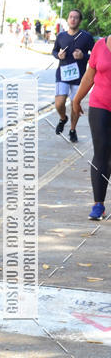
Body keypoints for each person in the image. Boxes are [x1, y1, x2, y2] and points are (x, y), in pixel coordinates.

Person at [73, 33, 111, 220]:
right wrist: (77, 99)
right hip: (100, 105)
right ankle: (98, 205)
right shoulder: (100, 46)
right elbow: (89, 76)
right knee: (101, 151)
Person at [52, 9, 94, 143]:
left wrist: (83, 56)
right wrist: (58, 55)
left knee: (75, 104)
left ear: (79, 21)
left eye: (76, 18)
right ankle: (63, 118)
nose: (73, 20)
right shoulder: (61, 36)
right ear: (68, 19)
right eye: (71, 17)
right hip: (62, 75)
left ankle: (72, 129)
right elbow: (54, 51)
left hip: (79, 77)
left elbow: (95, 55)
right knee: (59, 103)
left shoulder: (86, 37)